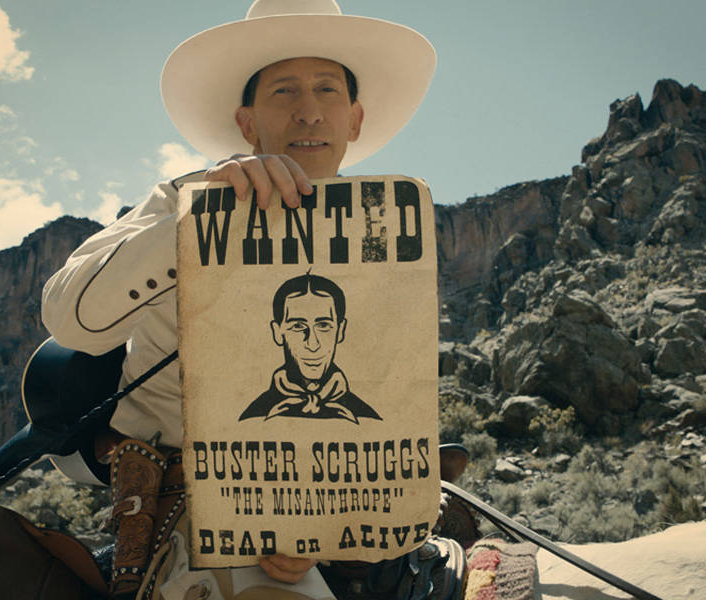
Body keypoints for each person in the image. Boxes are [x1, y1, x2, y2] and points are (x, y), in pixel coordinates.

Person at [42, 0, 442, 597]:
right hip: (186, 505)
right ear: (247, 122)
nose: (310, 111)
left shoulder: (386, 237)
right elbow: (70, 318)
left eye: (327, 90)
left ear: (354, 118)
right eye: (284, 91)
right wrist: (201, 218)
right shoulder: (178, 200)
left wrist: (329, 528)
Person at [239, 273, 382, 424]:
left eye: (323, 325)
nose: (312, 344)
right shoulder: (253, 417)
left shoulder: (367, 417)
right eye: (298, 326)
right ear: (277, 332)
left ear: (340, 331)